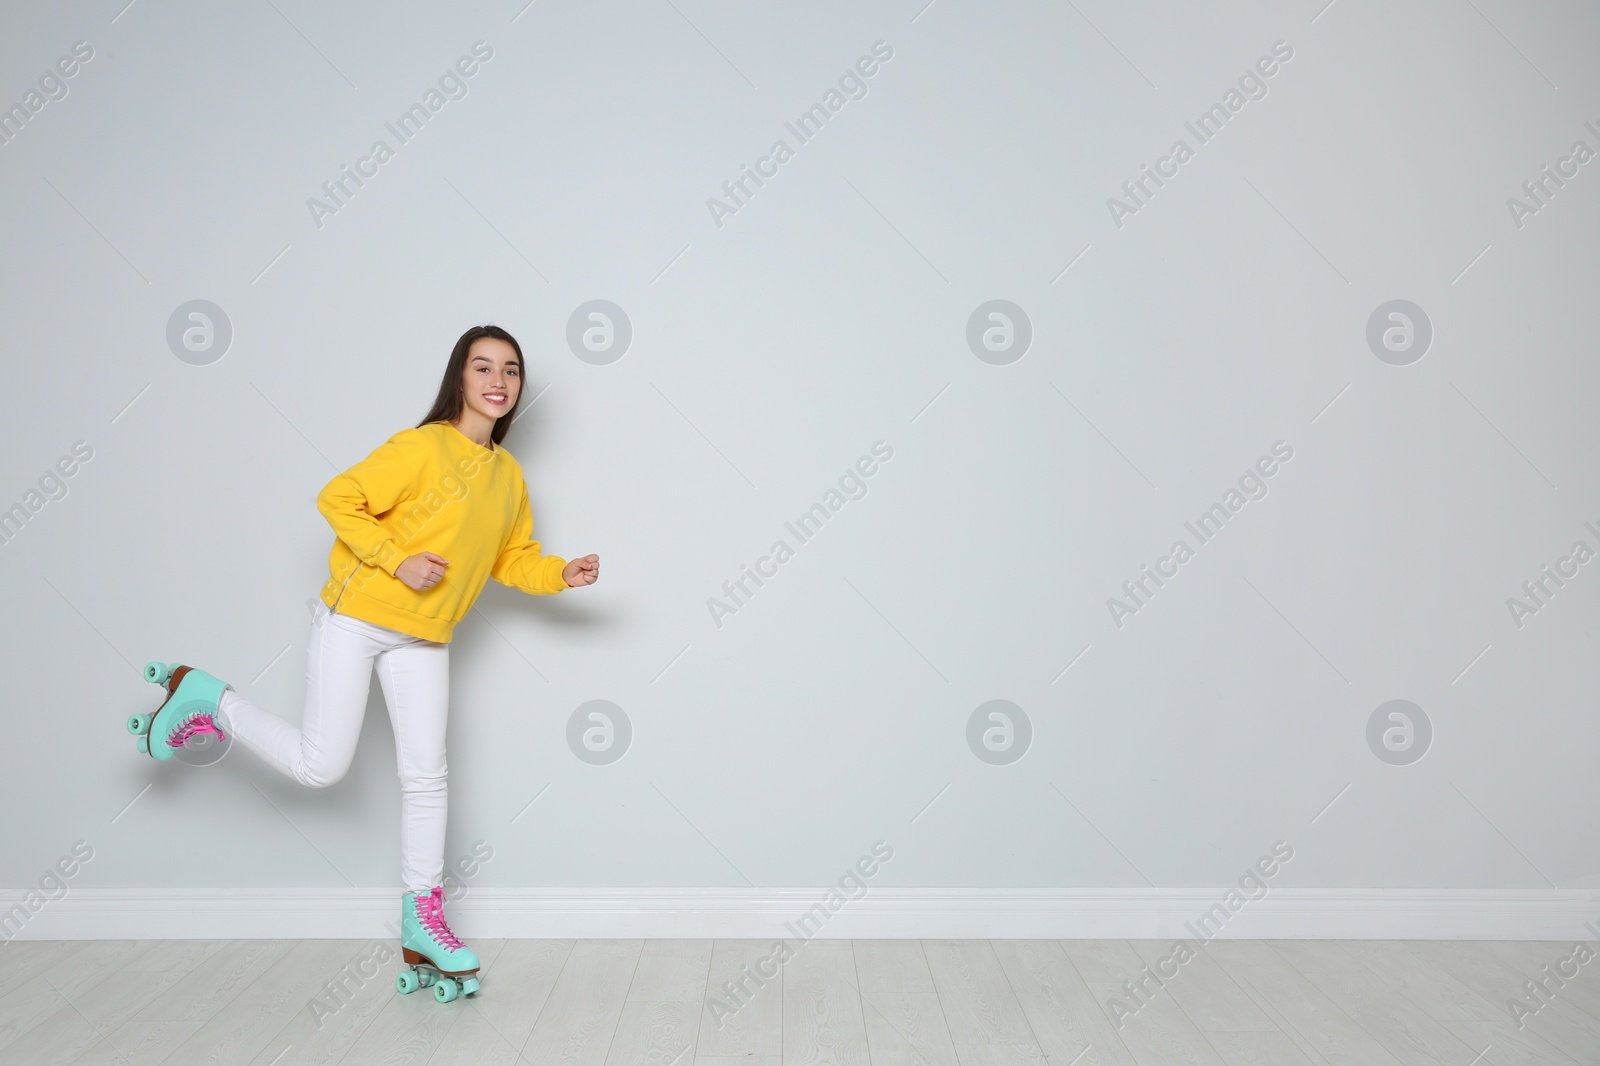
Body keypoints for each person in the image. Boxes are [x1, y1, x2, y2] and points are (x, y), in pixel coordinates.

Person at [128, 324, 599, 1001]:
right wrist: (396, 559)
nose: (498, 381)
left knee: (426, 776)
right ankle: (209, 699)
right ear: (459, 379)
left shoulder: (507, 476)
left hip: (426, 636)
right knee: (321, 767)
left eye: (512, 371)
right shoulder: (422, 447)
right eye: (483, 367)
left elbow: (510, 558)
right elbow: (337, 498)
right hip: (358, 618)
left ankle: (423, 919)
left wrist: (561, 573)